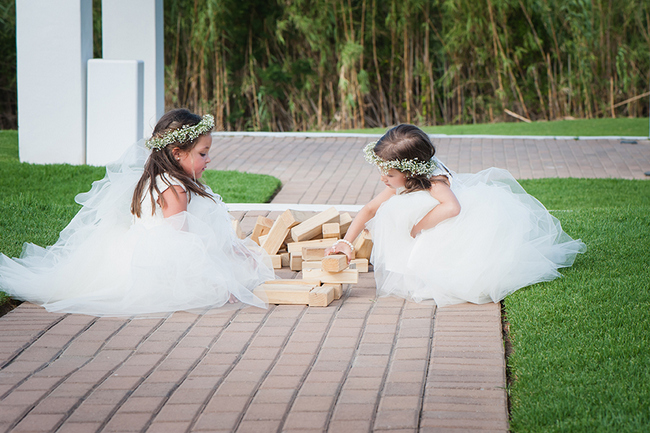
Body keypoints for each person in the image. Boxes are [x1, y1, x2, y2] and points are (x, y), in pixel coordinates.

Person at [0, 109, 274, 316]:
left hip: (132, 250)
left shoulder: (157, 177)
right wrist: (216, 283)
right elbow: (181, 244)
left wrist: (232, 250)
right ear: (178, 153)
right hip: (157, 265)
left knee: (240, 261)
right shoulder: (175, 189)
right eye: (203, 153)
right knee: (237, 277)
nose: (208, 160)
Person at [327, 124, 586, 307]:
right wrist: (346, 243)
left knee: (449, 275)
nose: (383, 179)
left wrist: (418, 227)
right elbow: (370, 209)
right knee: (392, 210)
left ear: (411, 171)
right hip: (434, 221)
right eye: (382, 171)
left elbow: (452, 208)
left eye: (390, 174)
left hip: (453, 225)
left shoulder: (434, 182)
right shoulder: (405, 179)